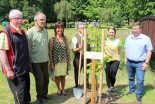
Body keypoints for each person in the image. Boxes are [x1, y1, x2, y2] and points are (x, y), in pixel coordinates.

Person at [0, 9, 31, 104]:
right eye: (16, 18)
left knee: (26, 93)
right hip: (14, 71)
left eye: (20, 18)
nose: (19, 20)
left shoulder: (22, 31)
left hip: (24, 69)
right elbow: (2, 52)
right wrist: (8, 70)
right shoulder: (5, 33)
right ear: (10, 19)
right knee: (20, 96)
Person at [124, 22, 153, 102]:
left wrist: (146, 62)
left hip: (140, 63)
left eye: (136, 29)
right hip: (129, 62)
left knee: (140, 80)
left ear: (140, 29)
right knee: (130, 77)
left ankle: (138, 95)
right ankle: (131, 90)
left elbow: (149, 51)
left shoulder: (146, 38)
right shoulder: (128, 37)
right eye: (133, 29)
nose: (134, 30)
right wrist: (125, 58)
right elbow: (125, 48)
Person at [26, 12, 49, 104]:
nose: (44, 21)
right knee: (40, 80)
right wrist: (29, 64)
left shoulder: (45, 31)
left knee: (46, 79)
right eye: (41, 19)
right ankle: (39, 97)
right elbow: (27, 49)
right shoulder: (30, 32)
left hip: (45, 60)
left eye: (44, 19)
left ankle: (44, 94)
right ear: (35, 21)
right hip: (35, 61)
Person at [49, 21, 70, 95]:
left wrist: (69, 61)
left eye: (61, 28)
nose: (59, 30)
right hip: (56, 62)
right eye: (58, 28)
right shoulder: (52, 39)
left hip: (64, 61)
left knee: (63, 76)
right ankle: (58, 89)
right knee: (57, 76)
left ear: (63, 29)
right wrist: (51, 63)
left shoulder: (65, 39)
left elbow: (68, 50)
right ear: (55, 29)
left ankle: (63, 89)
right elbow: (50, 52)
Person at [70, 22, 90, 88]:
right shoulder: (75, 38)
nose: (84, 29)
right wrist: (79, 48)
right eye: (82, 28)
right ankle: (77, 85)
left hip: (87, 58)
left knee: (87, 72)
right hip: (78, 58)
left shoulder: (88, 37)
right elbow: (73, 50)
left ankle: (86, 85)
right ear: (78, 29)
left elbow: (91, 48)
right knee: (77, 72)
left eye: (84, 28)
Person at [104, 27, 121, 95]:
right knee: (107, 74)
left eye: (112, 32)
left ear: (115, 33)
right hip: (106, 60)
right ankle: (109, 88)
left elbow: (119, 51)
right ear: (108, 33)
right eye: (110, 32)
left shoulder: (118, 41)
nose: (111, 33)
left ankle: (112, 86)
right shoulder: (104, 40)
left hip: (115, 59)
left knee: (113, 73)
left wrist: (114, 55)